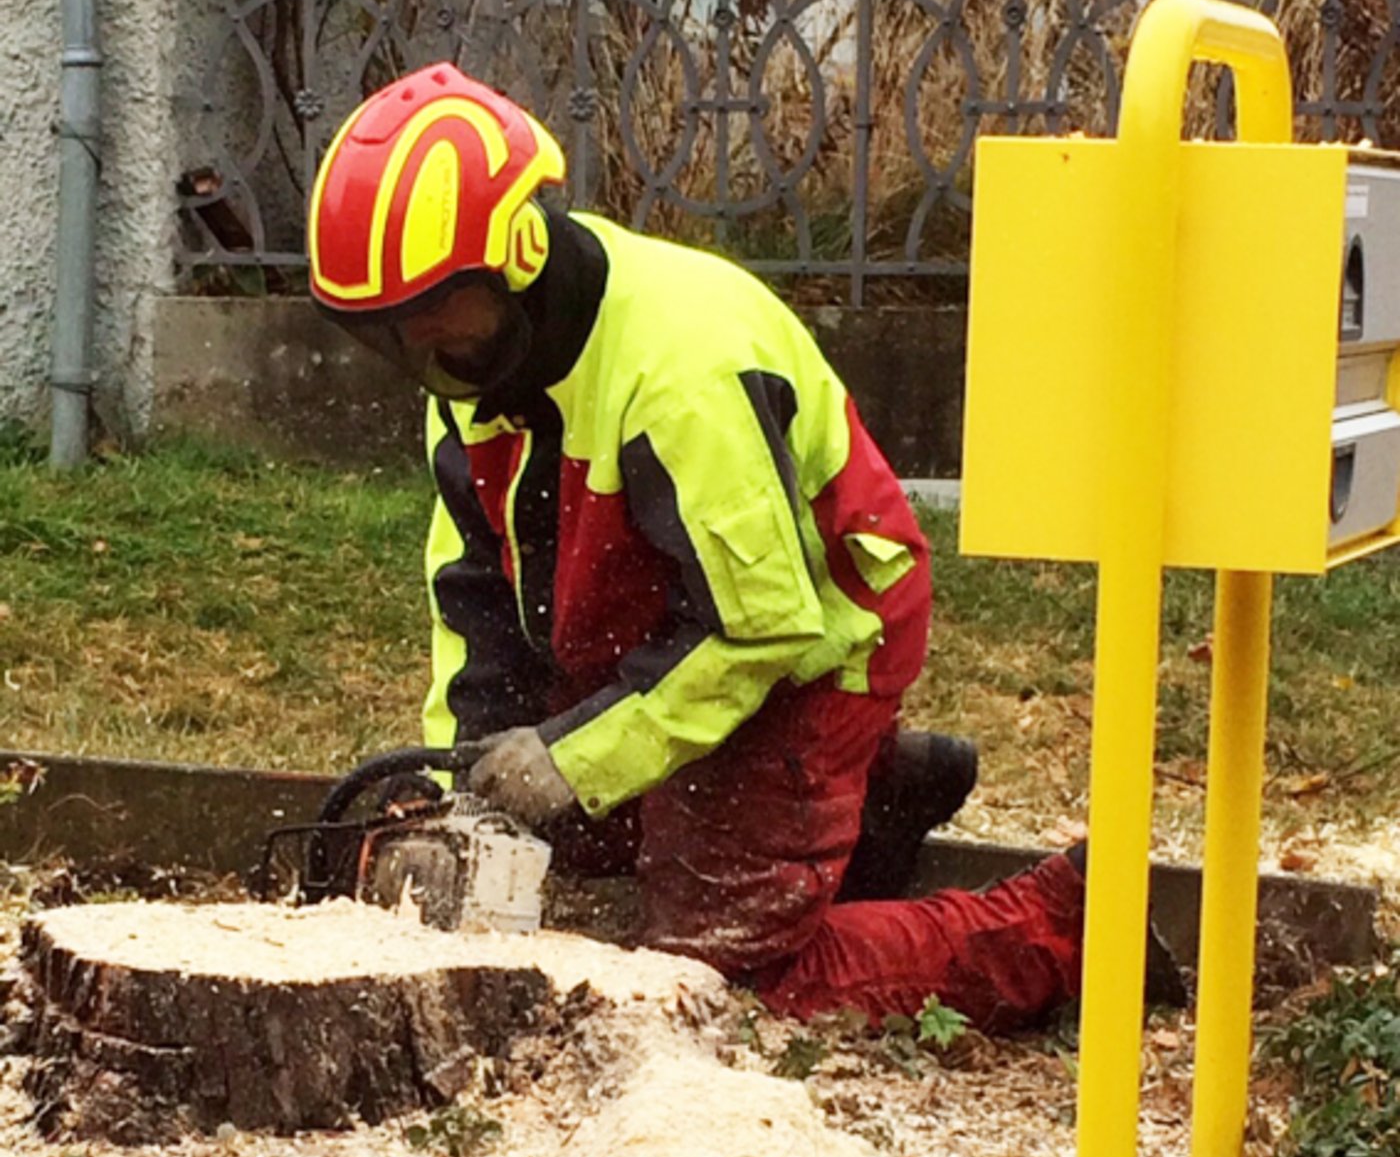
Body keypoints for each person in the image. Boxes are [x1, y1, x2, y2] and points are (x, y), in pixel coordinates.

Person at [305, 63, 1121, 1031]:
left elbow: (759, 627)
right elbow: (473, 603)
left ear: (522, 262)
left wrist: (578, 757)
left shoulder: (680, 369)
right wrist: (460, 776)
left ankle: (1064, 924)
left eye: (446, 333)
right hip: (650, 619)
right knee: (572, 840)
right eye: (391, 342)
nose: (427, 365)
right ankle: (871, 794)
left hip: (806, 639)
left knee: (725, 982)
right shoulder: (468, 383)